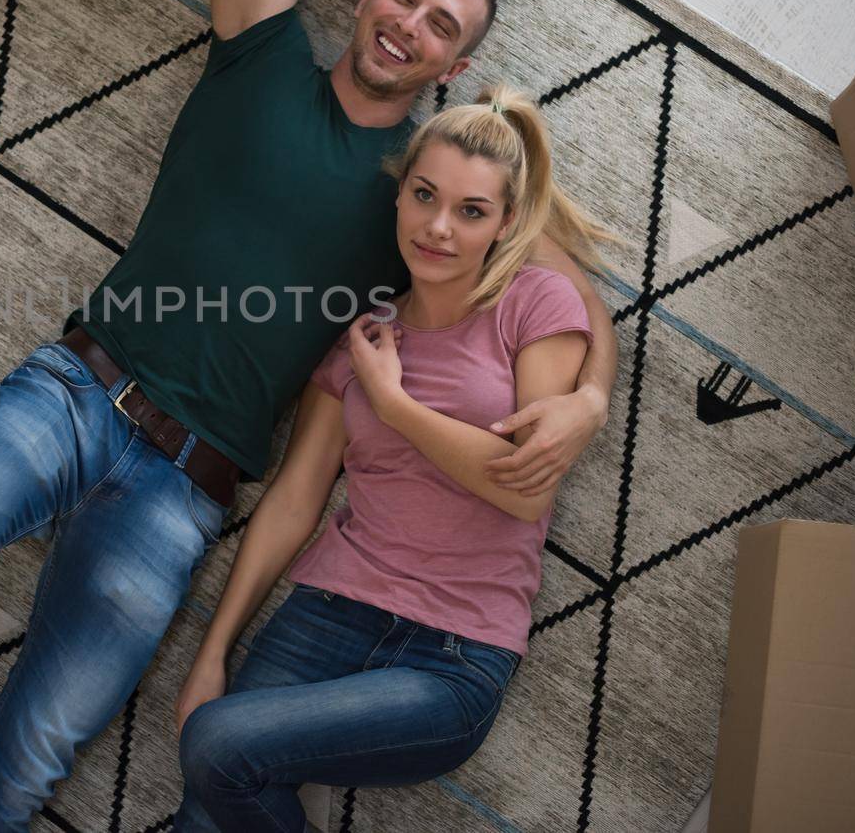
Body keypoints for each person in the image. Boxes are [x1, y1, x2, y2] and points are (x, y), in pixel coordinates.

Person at [0, 0, 619, 831]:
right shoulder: (260, 56)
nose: (408, 25)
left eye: (441, 29)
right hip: (77, 391)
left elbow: (571, 282)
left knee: (27, 764)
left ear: (458, 68)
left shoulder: (427, 191)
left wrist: (588, 397)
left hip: (185, 492)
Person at [171, 83, 613, 832]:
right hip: (324, 615)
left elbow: (523, 490)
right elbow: (293, 500)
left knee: (216, 747)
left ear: (506, 222)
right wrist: (212, 651)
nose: (438, 228)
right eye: (424, 196)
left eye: (471, 211)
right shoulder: (361, 341)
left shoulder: (536, 305)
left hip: (453, 656)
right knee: (209, 794)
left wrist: (397, 404)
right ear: (400, 193)